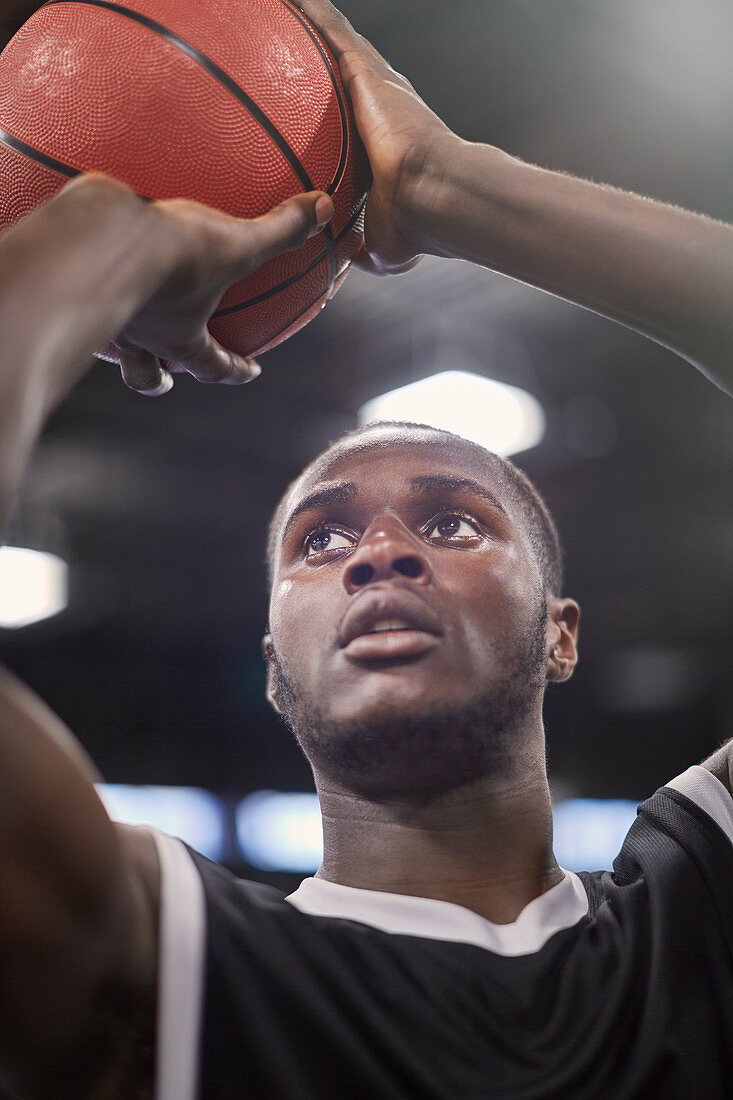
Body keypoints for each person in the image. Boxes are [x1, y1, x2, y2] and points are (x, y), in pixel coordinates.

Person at [1, 0, 732, 1096]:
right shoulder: (159, 958)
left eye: (450, 521)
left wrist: (452, 189)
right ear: (271, 666)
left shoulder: (700, 921)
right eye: (322, 536)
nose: (376, 552)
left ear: (561, 632)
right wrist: (95, 236)